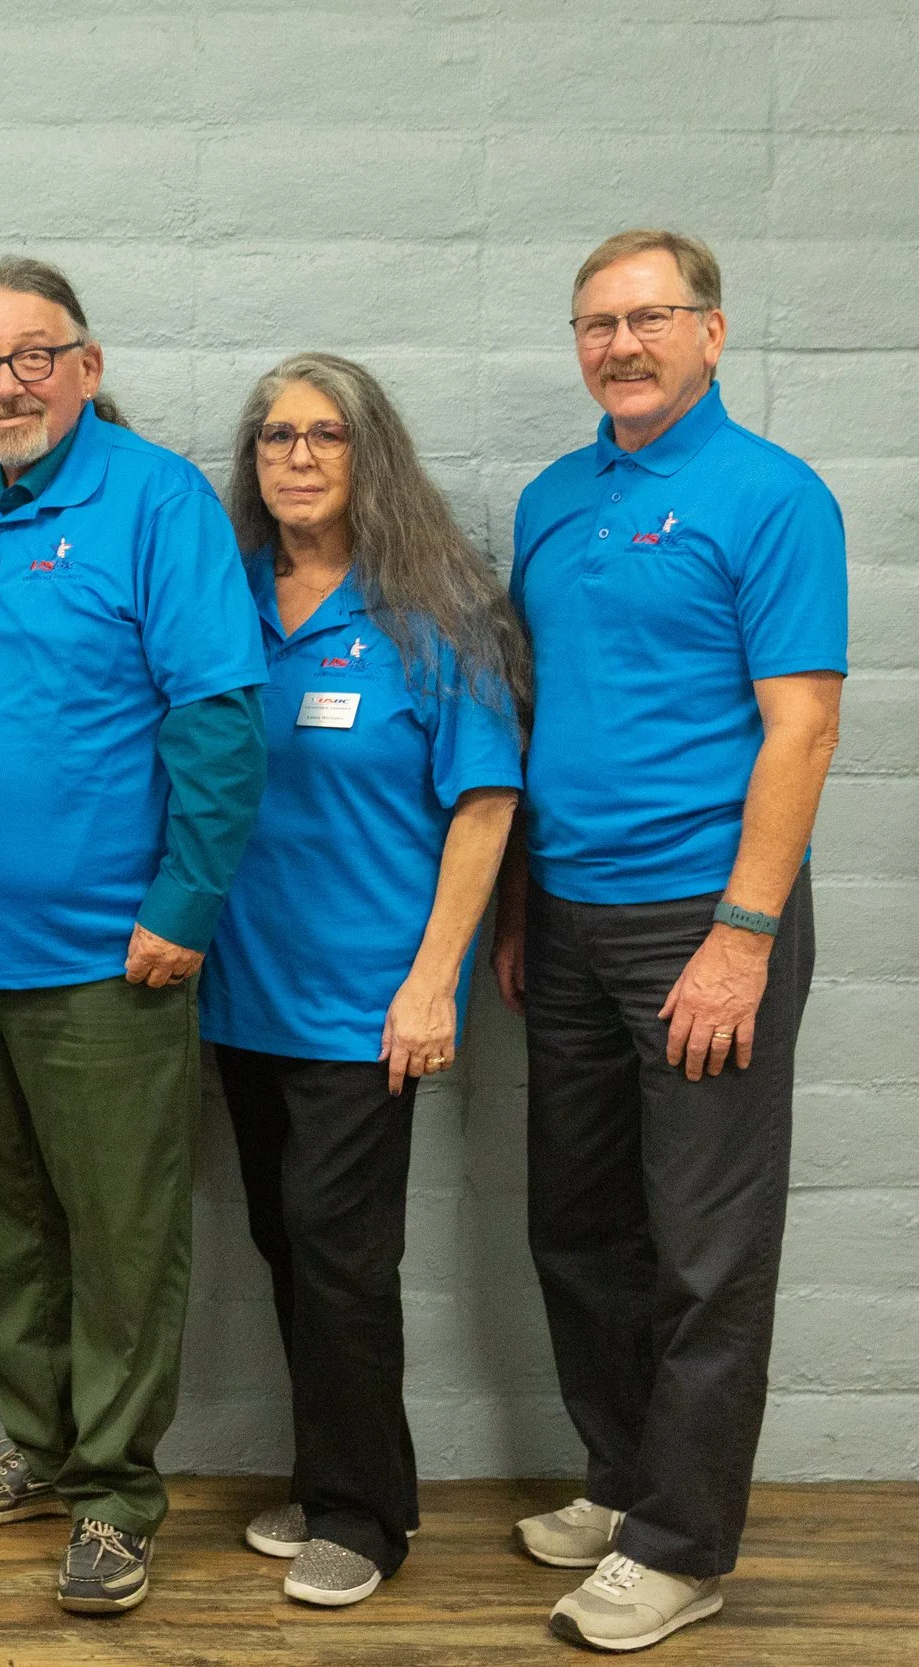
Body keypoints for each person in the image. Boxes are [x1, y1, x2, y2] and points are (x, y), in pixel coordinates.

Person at [0, 257, 266, 1616]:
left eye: (32, 356)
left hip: (111, 956)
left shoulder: (157, 501)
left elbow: (221, 716)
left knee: (121, 1234)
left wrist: (182, 905)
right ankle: (40, 1443)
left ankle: (114, 1492)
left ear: (88, 366)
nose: (5, 383)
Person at [493, 230, 846, 1653]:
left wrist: (745, 933)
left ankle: (683, 1544)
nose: (619, 345)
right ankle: (624, 1477)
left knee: (705, 1247)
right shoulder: (552, 497)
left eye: (648, 318)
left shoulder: (772, 495)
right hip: (567, 918)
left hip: (704, 918)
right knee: (578, 1226)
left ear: (712, 332)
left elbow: (803, 723)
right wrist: (524, 907)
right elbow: (545, 715)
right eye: (595, 322)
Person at [199, 353, 527, 1608]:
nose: (294, 456)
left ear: (366, 452)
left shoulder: (429, 613)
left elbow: (485, 802)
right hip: (242, 991)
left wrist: (432, 980)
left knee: (343, 1260)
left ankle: (366, 1514)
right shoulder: (226, 597)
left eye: (323, 435)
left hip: (363, 1003)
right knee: (285, 1247)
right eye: (274, 436)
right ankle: (326, 1468)